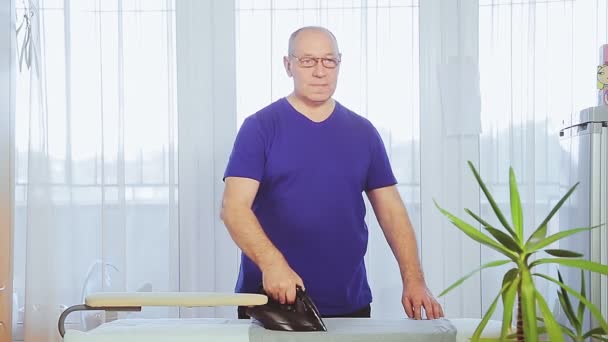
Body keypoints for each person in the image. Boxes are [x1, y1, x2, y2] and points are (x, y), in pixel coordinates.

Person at [221, 26, 444, 320]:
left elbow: (392, 212)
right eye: (307, 61)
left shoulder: (363, 133)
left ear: (339, 64)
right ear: (288, 65)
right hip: (271, 302)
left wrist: (414, 279)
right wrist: (272, 263)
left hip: (349, 303)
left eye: (329, 61)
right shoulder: (260, 128)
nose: (320, 71)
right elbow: (233, 208)